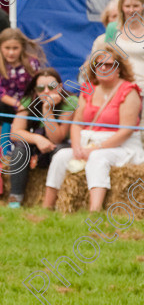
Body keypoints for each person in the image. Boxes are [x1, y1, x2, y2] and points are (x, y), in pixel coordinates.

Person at [44, 45, 144, 212]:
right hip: (87, 143)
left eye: (109, 65)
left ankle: (94, 211)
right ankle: (46, 207)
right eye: (99, 64)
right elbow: (77, 123)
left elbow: (126, 131)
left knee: (98, 158)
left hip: (121, 147)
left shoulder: (129, 91)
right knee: (61, 156)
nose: (103, 68)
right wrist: (76, 147)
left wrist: (95, 149)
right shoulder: (87, 90)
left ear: (118, 69)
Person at [7, 68, 77, 208]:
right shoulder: (28, 100)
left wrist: (47, 110)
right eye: (40, 88)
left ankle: (51, 204)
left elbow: (57, 138)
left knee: (59, 152)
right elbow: (14, 133)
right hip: (37, 143)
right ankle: (14, 200)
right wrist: (37, 139)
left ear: (60, 87)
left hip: (59, 145)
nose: (46, 91)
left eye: (51, 87)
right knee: (20, 148)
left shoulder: (71, 101)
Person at [0, 28, 43, 135]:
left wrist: (24, 105)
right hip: (5, 104)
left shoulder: (31, 62)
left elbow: (36, 87)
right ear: (0, 48)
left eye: (15, 48)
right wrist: (17, 104)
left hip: (26, 104)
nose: (11, 52)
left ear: (22, 48)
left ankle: (28, 138)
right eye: (7, 48)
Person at [100, 0, 144, 89]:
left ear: (142, 6)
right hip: (120, 88)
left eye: (136, 6)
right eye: (127, 6)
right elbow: (108, 59)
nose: (131, 10)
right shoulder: (112, 28)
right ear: (121, 8)